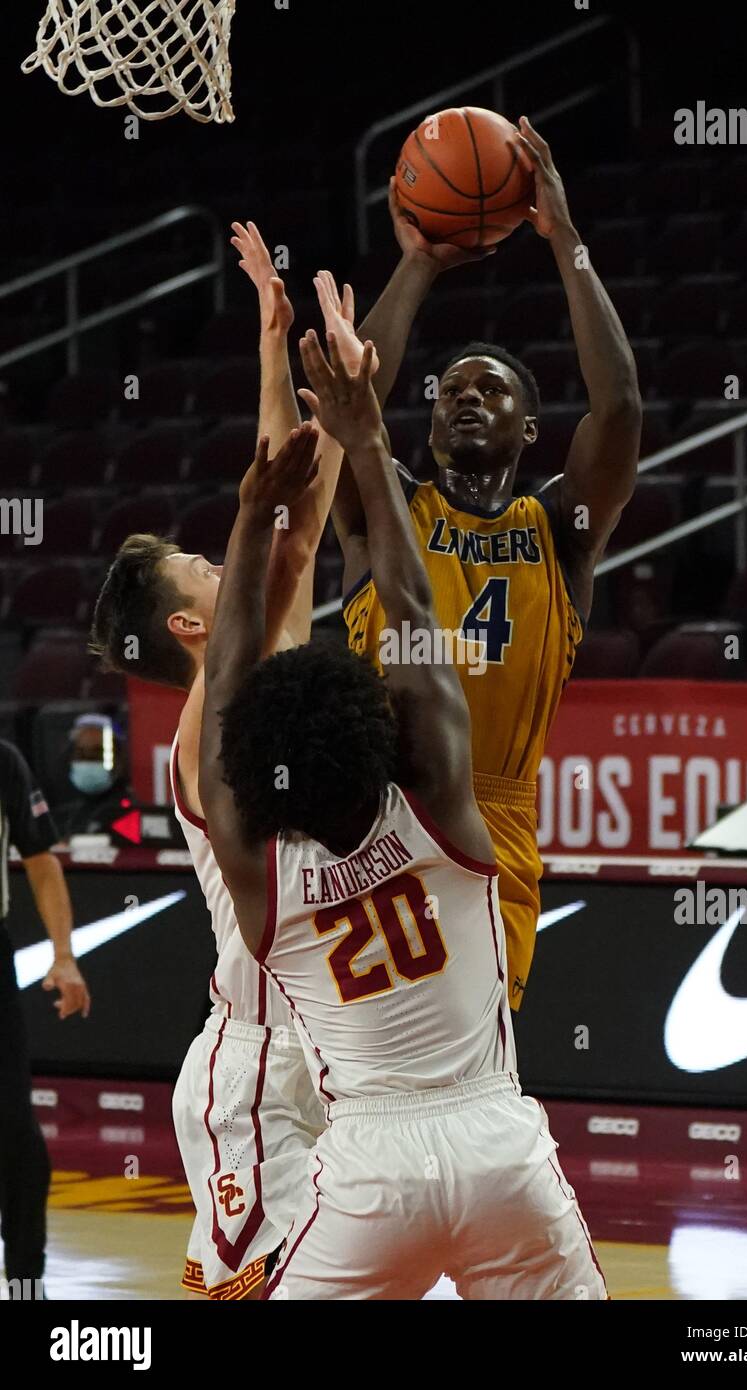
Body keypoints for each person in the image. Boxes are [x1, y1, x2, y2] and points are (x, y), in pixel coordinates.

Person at [197, 324, 606, 1301]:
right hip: (500, 1152)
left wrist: (255, 522)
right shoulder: (448, 829)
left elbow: (222, 702)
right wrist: (361, 449)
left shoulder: (262, 879)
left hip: (369, 1176)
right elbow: (415, 620)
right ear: (386, 736)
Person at [326, 117, 641, 1015]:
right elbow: (350, 405)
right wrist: (420, 262)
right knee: (365, 1071)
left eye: (491, 388)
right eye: (451, 389)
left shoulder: (562, 532)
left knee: (475, 1067)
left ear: (530, 431)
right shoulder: (382, 515)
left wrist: (566, 241)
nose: (466, 396)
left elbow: (617, 411)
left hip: (495, 814)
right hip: (371, 810)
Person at [89, 223, 345, 1300]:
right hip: (254, 1065)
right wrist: (294, 377)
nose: (217, 559)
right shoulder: (209, 715)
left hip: (318, 1046)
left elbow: (293, 509)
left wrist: (276, 350)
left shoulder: (259, 657)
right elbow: (280, 520)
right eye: (199, 566)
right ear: (193, 629)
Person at [0, 739, 90, 1297]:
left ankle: (26, 1286)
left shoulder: (4, 762)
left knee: (16, 1138)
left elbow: (40, 861)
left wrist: (64, 955)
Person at [51, 713, 137, 841]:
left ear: (118, 759)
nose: (88, 763)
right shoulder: (62, 818)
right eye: (81, 755)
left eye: (97, 755)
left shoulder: (130, 814)